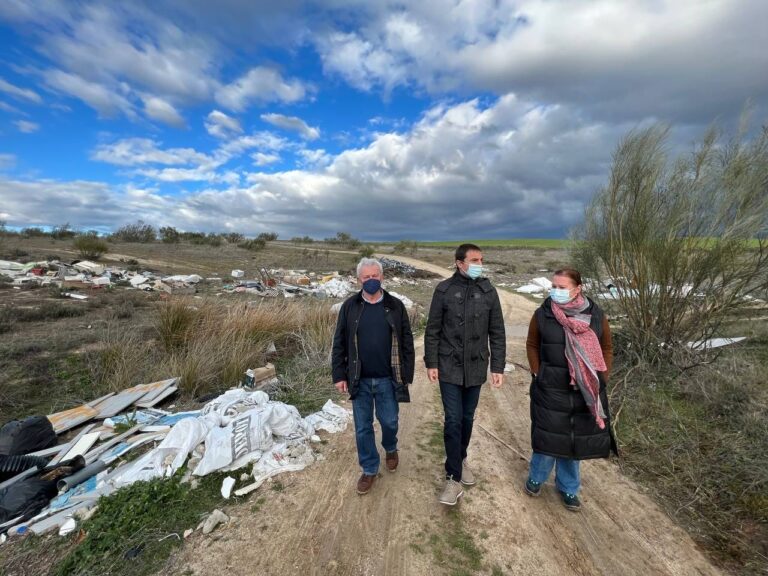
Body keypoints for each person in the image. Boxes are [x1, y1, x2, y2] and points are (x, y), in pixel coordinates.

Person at [524, 267, 617, 511]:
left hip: (584, 389)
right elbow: (532, 343)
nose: (555, 291)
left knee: (572, 439)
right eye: (553, 286)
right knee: (548, 435)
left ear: (578, 289)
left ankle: (568, 487)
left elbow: (606, 347)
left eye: (561, 287)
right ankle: (536, 477)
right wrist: (537, 372)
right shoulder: (543, 314)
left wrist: (601, 376)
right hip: (551, 386)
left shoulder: (596, 315)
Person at [424, 243, 506, 505]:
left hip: (476, 366)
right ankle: (453, 478)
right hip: (449, 366)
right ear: (459, 262)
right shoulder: (444, 290)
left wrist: (497, 367)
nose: (479, 264)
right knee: (453, 419)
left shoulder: (488, 291)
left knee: (468, 418)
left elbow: (498, 332)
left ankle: (460, 458)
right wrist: (431, 362)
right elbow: (433, 329)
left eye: (481, 259)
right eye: (474, 260)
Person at [332, 257, 415, 495]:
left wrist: (406, 373)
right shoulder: (350, 307)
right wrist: (339, 374)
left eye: (374, 276)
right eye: (366, 277)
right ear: (359, 280)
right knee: (362, 428)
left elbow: (407, 341)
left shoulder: (395, 305)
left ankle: (390, 447)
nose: (371, 280)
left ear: (382, 277)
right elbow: (339, 342)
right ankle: (369, 469)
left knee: (390, 421)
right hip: (360, 379)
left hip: (389, 379)